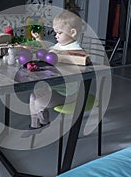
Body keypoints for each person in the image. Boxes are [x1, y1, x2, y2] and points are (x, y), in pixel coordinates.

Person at [21, 10, 85, 138]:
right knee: (32, 96)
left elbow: (78, 61)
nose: (56, 36)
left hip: (69, 93)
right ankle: (36, 125)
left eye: (60, 33)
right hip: (56, 88)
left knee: (39, 102)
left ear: (72, 32)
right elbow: (47, 52)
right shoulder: (60, 44)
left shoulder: (76, 49)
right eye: (56, 33)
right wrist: (39, 40)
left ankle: (44, 122)